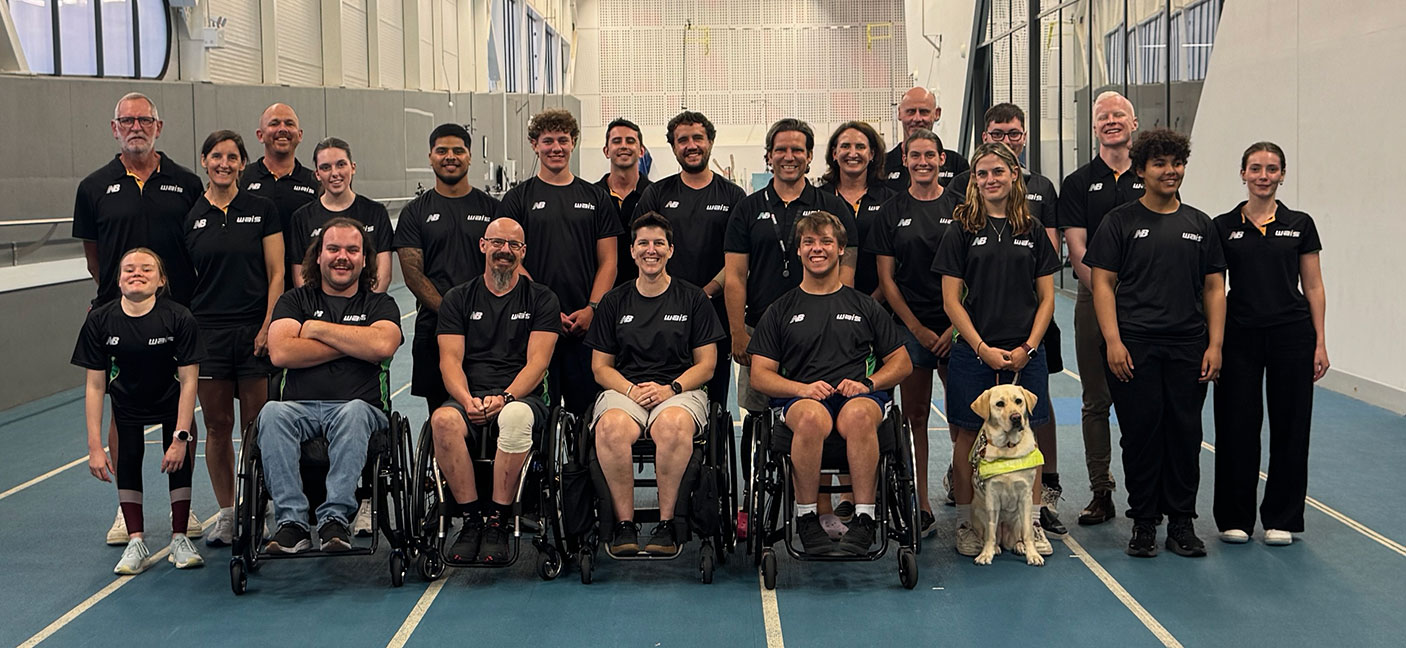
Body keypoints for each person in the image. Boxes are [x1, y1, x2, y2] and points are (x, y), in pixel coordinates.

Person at [1083, 128, 1225, 558]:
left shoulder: (1200, 224)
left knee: (1184, 433)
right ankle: (1144, 521)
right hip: (1135, 347)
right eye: (1160, 163)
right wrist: (1113, 340)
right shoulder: (1120, 222)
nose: (1170, 171)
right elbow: (1102, 284)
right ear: (1141, 170)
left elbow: (1214, 287)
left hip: (1188, 347)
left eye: (1176, 163)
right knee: (1141, 435)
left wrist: (1214, 345)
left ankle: (1181, 521)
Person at [73, 92, 204, 545]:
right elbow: (95, 259)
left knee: (182, 405)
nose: (135, 127)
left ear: (158, 126)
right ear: (114, 129)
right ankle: (124, 512)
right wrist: (120, 292)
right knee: (120, 404)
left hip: (177, 317)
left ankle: (182, 511)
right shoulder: (93, 187)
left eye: (144, 119)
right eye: (126, 120)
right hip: (120, 318)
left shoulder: (186, 183)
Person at [748, 210, 912, 556]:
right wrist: (800, 389)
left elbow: (901, 363)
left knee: (859, 416)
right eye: (809, 242)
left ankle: (865, 518)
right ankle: (807, 517)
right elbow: (760, 374)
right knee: (809, 418)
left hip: (856, 398)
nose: (817, 248)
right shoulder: (780, 310)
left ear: (841, 250)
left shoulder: (864, 305)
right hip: (803, 399)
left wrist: (868, 383)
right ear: (799, 250)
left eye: (825, 241)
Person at [933, 142, 1061, 559]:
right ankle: (971, 523)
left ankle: (1032, 525)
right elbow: (951, 301)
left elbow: (1047, 298)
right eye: (982, 174)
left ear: (1014, 176)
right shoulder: (960, 229)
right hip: (975, 351)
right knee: (969, 438)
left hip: (1027, 352)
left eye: (998, 173)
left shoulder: (1034, 230)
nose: (991, 180)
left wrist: (1029, 346)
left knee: (1033, 432)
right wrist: (981, 347)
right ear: (974, 180)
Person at [259, 218, 403, 554]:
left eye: (352, 250)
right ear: (318, 256)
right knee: (270, 413)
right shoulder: (294, 300)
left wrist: (315, 329)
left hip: (361, 409)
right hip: (297, 408)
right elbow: (281, 351)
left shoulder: (380, 304)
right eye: (334, 249)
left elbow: (382, 347)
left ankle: (334, 519)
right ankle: (292, 522)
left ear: (364, 259)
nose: (343, 257)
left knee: (352, 411)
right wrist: (355, 343)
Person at [587, 212, 725, 556]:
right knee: (611, 429)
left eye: (659, 243)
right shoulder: (614, 302)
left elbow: (707, 365)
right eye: (643, 243)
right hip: (626, 390)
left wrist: (671, 390)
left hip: (679, 390)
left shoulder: (693, 299)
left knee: (673, 426)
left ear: (671, 250)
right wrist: (632, 391)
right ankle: (624, 525)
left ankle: (667, 524)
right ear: (632, 251)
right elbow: (600, 367)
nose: (652, 250)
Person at [1212, 142, 1327, 547]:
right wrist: (1215, 343)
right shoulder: (1223, 225)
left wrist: (1320, 343)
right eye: (1256, 168)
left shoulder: (1300, 223)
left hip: (1292, 336)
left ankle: (1282, 517)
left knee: (1291, 427)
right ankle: (1234, 517)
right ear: (1242, 174)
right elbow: (1214, 287)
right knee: (1236, 426)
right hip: (1239, 336)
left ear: (1282, 175)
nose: (1264, 175)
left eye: (1272, 169)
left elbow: (1312, 285)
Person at [431, 217, 560, 564]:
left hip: (521, 397)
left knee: (516, 418)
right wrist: (465, 400)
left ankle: (498, 520)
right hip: (469, 397)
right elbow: (450, 361)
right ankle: (472, 519)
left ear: (523, 252)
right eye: (498, 243)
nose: (505, 251)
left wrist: (506, 397)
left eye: (513, 245)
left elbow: (538, 363)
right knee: (442, 421)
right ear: (483, 245)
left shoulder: (542, 299)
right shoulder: (458, 298)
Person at [73, 248, 205, 574]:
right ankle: (135, 540)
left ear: (161, 280)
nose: (137, 273)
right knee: (128, 461)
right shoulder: (100, 321)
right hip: (127, 406)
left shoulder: (179, 317)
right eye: (128, 269)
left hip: (171, 404)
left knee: (179, 464)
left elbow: (189, 381)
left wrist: (180, 436)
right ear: (117, 280)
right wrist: (94, 447)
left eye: (147, 269)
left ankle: (179, 537)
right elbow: (93, 386)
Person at [184, 130, 284, 546]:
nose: (224, 163)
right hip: (208, 335)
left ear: (243, 163)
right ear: (204, 161)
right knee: (218, 425)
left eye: (232, 157)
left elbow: (277, 274)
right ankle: (228, 512)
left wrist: (267, 326)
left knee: (256, 425)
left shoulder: (261, 209)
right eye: (216, 156)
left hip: (253, 331)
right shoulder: (191, 216)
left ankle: (258, 507)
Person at [725, 118, 857, 421]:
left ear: (809, 156)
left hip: (821, 334)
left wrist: (839, 328)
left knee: (820, 409)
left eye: (797, 150)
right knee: (758, 414)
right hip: (761, 330)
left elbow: (846, 273)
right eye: (780, 149)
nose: (789, 157)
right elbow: (734, 276)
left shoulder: (833, 208)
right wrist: (737, 333)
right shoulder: (747, 209)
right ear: (768, 156)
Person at [865, 128, 959, 539]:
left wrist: (954, 327)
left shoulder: (960, 206)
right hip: (911, 328)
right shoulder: (891, 210)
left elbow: (973, 273)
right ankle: (919, 502)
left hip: (960, 330)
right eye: (915, 155)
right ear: (904, 159)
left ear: (942, 159)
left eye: (930, 155)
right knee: (915, 417)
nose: (923, 162)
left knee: (965, 419)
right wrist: (918, 330)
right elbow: (887, 281)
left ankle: (964, 489)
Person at [500, 108, 622, 417]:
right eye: (548, 141)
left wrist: (593, 309)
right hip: (535, 323)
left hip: (586, 325)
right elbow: (511, 260)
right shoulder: (517, 199)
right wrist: (547, 309)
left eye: (563, 140)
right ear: (534, 145)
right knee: (539, 412)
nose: (556, 148)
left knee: (589, 414)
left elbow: (609, 261)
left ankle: (585, 467)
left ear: (574, 143)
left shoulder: (595, 197)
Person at [1059, 91, 1145, 526]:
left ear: (1133, 123)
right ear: (1094, 128)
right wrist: (1110, 299)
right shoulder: (1077, 184)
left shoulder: (1150, 177)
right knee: (1096, 401)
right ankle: (1101, 492)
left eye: (1118, 115)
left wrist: (1137, 297)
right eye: (1102, 117)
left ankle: (1146, 493)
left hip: (1146, 305)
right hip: (1095, 300)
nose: (1111, 121)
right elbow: (1079, 251)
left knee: (1145, 402)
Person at [633, 111, 746, 412]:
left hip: (715, 312)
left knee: (716, 399)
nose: (691, 145)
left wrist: (706, 291)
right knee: (664, 394)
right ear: (673, 147)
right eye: (682, 140)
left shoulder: (733, 196)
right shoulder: (656, 194)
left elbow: (739, 259)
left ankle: (712, 458)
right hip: (660, 313)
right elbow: (644, 250)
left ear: (710, 141)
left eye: (698, 138)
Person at [395, 123, 502, 411]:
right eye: (442, 150)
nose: (450, 156)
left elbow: (506, 264)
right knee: (443, 415)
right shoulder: (414, 213)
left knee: (493, 411)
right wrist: (453, 314)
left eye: (458, 150)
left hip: (491, 327)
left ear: (470, 156)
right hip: (436, 327)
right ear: (430, 157)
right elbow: (413, 274)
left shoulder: (492, 209)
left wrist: (484, 312)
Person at [286, 138, 393, 292]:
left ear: (353, 167)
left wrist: (367, 308)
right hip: (318, 312)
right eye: (326, 167)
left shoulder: (376, 212)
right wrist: (317, 310)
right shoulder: (302, 218)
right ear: (317, 174)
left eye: (341, 165)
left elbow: (383, 272)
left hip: (367, 310)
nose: (334, 173)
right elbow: (300, 276)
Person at [241, 103, 317, 288]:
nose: (282, 129)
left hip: (302, 286)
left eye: (289, 124)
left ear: (299, 135)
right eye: (274, 123)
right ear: (260, 135)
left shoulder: (314, 182)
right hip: (250, 286)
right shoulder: (242, 180)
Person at [820, 120, 892, 299]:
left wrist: (870, 305)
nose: (853, 153)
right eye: (845, 146)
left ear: (872, 153)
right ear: (834, 153)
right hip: (827, 304)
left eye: (860, 146)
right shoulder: (818, 199)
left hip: (881, 304)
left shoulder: (890, 200)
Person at [597, 117, 652, 285]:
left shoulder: (655, 195)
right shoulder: (592, 196)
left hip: (645, 292)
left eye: (630, 141)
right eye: (616, 141)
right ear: (606, 151)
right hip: (600, 294)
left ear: (641, 151)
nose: (623, 146)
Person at [883, 87, 968, 192]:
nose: (917, 119)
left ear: (937, 114)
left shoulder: (956, 165)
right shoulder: (883, 165)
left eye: (924, 112)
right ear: (899, 113)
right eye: (911, 111)